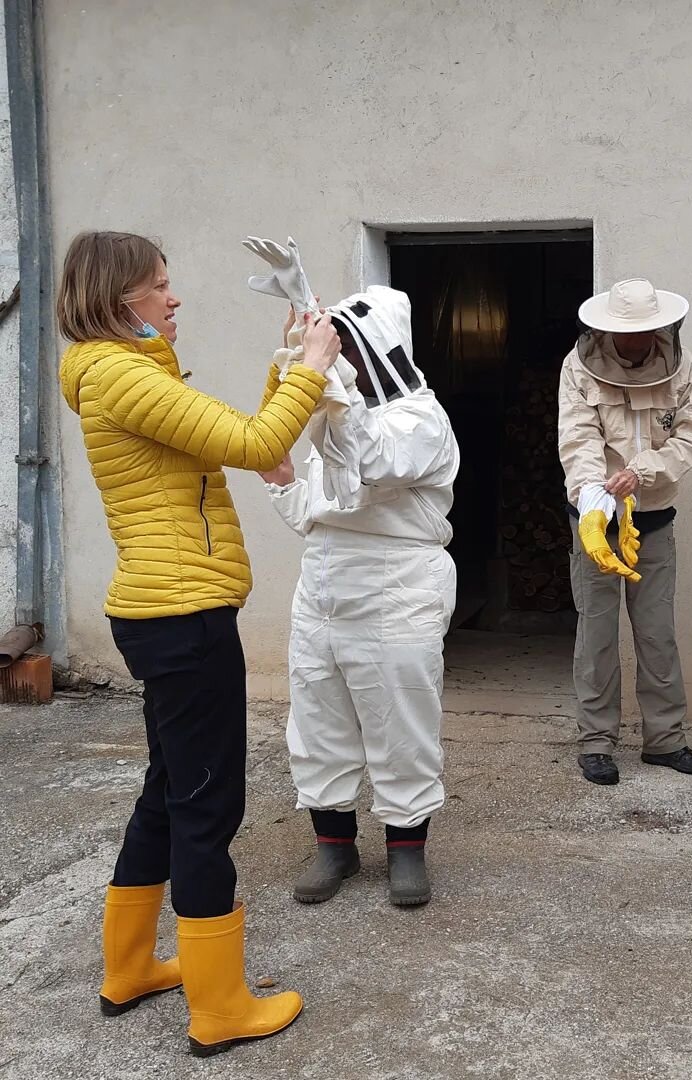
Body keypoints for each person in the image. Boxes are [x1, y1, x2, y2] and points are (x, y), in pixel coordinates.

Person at [56, 230, 340, 1055]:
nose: (173, 299)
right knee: (208, 803)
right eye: (159, 287)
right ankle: (219, 1009)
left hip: (167, 614)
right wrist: (315, 367)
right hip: (183, 618)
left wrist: (289, 361)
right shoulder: (120, 375)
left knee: (168, 788)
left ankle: (131, 966)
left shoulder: (126, 375)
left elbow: (237, 432)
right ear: (119, 302)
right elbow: (256, 447)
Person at [251, 271, 457, 908]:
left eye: (343, 348)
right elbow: (313, 511)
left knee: (400, 722)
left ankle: (406, 850)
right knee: (318, 721)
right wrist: (282, 480)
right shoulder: (335, 423)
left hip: (398, 586)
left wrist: (324, 381)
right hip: (324, 583)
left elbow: (372, 461)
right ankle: (333, 847)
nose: (336, 360)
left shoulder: (422, 418)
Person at [557, 278, 692, 786]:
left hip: (653, 519)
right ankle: (596, 743)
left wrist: (641, 472)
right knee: (597, 632)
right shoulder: (577, 367)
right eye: (628, 335)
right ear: (607, 330)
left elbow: (690, 438)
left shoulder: (683, 367)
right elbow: (578, 438)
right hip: (596, 519)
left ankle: (665, 741)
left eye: (646, 333)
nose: (638, 342)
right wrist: (593, 496)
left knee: (657, 634)